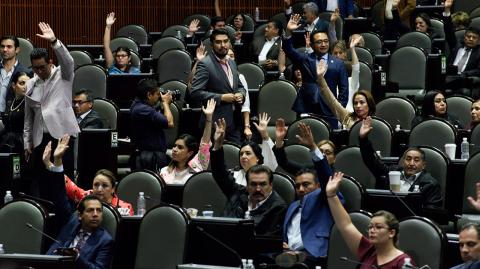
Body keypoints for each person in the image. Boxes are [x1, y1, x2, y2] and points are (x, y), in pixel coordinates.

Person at [276, 123, 344, 268]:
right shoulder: (293, 206)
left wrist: (313, 147)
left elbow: (327, 180)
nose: (300, 189)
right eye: (297, 186)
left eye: (306, 185)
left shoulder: (326, 196)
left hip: (312, 255)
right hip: (286, 254)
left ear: (318, 186)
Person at [42, 135, 113, 269]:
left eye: (99, 211)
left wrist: (77, 259)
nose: (96, 214)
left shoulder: (105, 240)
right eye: (90, 210)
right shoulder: (72, 222)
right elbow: (60, 195)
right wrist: (57, 160)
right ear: (79, 215)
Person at [24, 22, 79, 185]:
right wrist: (27, 142)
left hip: (63, 137)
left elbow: (68, 61)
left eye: (42, 67)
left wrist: (54, 41)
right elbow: (29, 117)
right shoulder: (31, 84)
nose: (39, 71)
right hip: (40, 139)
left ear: (50, 62)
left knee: (65, 182)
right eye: (35, 68)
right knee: (43, 183)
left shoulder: (63, 75)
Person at [210, 118, 286, 236]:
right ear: (247, 185)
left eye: (262, 184)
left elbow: (267, 244)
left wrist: (266, 136)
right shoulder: (237, 192)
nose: (258, 188)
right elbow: (219, 172)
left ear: (271, 185)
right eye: (253, 184)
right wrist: (218, 144)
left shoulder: (277, 208)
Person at [326, 171, 416, 268]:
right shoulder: (368, 250)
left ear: (391, 233)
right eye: (370, 227)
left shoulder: (403, 262)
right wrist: (331, 196)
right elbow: (345, 225)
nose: (372, 231)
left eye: (378, 227)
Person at [359, 117, 443, 209]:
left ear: (423, 165)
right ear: (403, 162)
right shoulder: (393, 172)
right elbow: (372, 162)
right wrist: (363, 139)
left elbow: (431, 213)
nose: (411, 163)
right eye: (408, 159)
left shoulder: (430, 185)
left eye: (416, 160)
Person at [283, 14, 349, 129]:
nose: (323, 44)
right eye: (319, 42)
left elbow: (344, 89)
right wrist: (288, 31)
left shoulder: (338, 63)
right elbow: (288, 50)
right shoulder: (305, 59)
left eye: (326, 41)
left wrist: (338, 109)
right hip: (307, 108)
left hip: (330, 110)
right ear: (312, 45)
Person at [42, 138, 133, 216]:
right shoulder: (86, 196)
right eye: (96, 185)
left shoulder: (125, 208)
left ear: (113, 189)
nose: (99, 189)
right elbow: (63, 182)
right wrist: (49, 164)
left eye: (105, 186)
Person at [190, 28, 246, 144]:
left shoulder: (231, 62)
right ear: (212, 44)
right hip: (213, 124)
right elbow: (195, 92)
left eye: (225, 41)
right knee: (213, 160)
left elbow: (240, 86)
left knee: (235, 158)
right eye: (218, 42)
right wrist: (221, 97)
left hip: (234, 122)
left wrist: (241, 94)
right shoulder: (205, 64)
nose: (223, 45)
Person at [160, 99, 215, 184]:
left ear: (189, 153)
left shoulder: (198, 165)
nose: (174, 149)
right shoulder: (164, 171)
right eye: (174, 146)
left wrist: (208, 118)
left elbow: (205, 143)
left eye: (180, 147)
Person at [130, 78, 174, 172]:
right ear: (149, 95)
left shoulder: (139, 106)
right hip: (149, 158)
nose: (159, 97)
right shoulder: (143, 110)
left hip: (149, 155)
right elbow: (170, 123)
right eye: (157, 94)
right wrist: (165, 103)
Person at [316, 61, 375, 129]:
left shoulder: (376, 123)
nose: (358, 106)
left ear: (369, 104)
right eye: (355, 103)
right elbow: (332, 101)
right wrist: (320, 78)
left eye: (362, 102)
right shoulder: (347, 117)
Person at [443, 0, 480, 97]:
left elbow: (478, 70)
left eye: (474, 37)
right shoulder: (456, 46)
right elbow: (448, 31)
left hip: (465, 79)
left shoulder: (479, 52)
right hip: (450, 75)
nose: (470, 39)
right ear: (464, 37)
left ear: (478, 41)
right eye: (468, 36)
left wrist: (464, 74)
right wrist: (447, 10)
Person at [0, 72, 31, 153]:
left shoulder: (30, 104)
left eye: (28, 83)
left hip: (22, 145)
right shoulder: (10, 102)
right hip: (6, 143)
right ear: (14, 85)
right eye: (22, 83)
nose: (26, 86)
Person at [0, 35, 31, 114]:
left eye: (9, 47)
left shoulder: (26, 72)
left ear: (17, 50)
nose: (5, 49)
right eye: (2, 46)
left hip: (12, 118)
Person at [331, 35, 363, 112]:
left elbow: (356, 68)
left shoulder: (352, 81)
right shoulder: (329, 78)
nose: (338, 56)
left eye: (340, 52)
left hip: (348, 117)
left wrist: (352, 49)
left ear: (345, 54)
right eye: (335, 53)